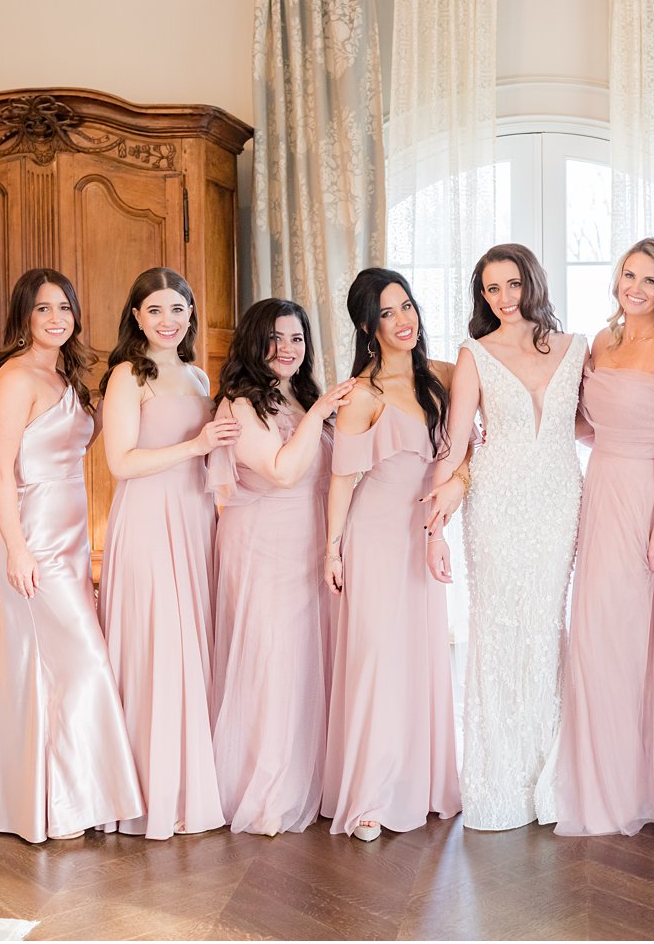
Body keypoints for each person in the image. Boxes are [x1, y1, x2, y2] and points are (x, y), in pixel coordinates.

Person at [421, 243, 585, 831]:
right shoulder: (475, 354)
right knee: (499, 626)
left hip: (560, 497)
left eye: (512, 284)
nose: (504, 299)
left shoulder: (577, 348)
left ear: (533, 283)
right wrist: (433, 518)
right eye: (491, 289)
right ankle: (502, 782)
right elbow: (456, 443)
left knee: (546, 624)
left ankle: (553, 774)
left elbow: (596, 423)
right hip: (495, 501)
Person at [0, 268, 143, 843]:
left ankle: (58, 799)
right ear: (24, 315)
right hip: (33, 539)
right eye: (44, 308)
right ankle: (72, 800)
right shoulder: (15, 377)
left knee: (50, 669)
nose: (56, 318)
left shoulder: (69, 379)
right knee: (82, 663)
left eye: (65, 308)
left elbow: (95, 436)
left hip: (72, 540)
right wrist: (18, 550)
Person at [555, 238, 654, 837]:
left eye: (649, 281)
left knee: (629, 635)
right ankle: (594, 775)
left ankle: (634, 781)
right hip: (601, 485)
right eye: (628, 276)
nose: (635, 289)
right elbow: (589, 424)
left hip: (643, 497)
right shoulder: (601, 341)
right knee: (589, 632)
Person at [97, 266, 239, 840]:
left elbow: (215, 458)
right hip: (149, 519)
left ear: (189, 315)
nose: (167, 320)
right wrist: (196, 445)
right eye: (154, 310)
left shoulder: (201, 378)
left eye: (177, 309)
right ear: (136, 317)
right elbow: (120, 463)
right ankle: (146, 792)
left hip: (194, 516)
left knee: (192, 644)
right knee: (159, 644)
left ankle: (188, 786)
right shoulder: (129, 377)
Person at [322, 268, 462, 841]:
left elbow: (465, 451)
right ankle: (372, 798)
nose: (404, 321)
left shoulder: (442, 378)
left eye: (408, 307)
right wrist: (332, 550)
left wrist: (457, 490)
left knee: (419, 656)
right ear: (367, 325)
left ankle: (421, 784)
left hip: (421, 533)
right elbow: (340, 482)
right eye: (388, 313)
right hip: (376, 535)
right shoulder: (363, 394)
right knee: (377, 659)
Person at [208, 299, 354, 835]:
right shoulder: (240, 404)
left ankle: (305, 776)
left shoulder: (299, 394)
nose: (286, 350)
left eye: (296, 339)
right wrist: (319, 416)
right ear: (253, 342)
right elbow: (281, 470)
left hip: (308, 537)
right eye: (274, 338)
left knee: (303, 659)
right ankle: (265, 789)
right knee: (271, 660)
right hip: (264, 540)